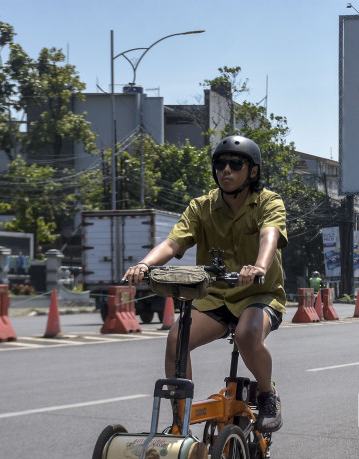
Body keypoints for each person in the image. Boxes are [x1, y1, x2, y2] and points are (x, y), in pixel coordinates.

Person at [122, 135, 286, 433]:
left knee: (247, 336)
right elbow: (173, 243)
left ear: (253, 171)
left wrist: (260, 266)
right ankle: (180, 419)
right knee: (176, 339)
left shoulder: (268, 202)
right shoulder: (202, 207)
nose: (227, 170)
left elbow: (270, 235)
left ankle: (267, 395)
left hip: (259, 295)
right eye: (220, 164)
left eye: (236, 164)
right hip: (216, 298)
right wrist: (145, 265)